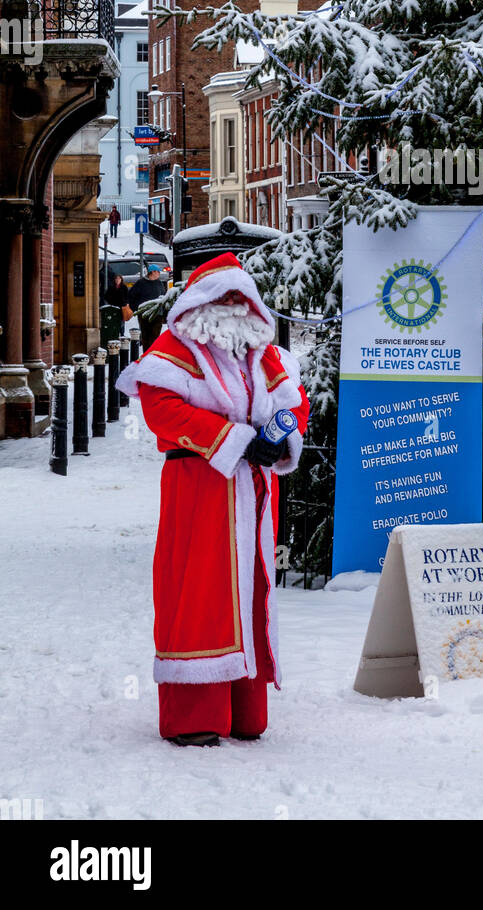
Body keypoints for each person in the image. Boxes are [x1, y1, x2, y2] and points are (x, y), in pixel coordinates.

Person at [116, 251, 310, 746]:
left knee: (251, 592)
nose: (232, 307)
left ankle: (245, 710)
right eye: (223, 298)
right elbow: (162, 410)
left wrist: (279, 439)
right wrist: (236, 440)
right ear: (199, 302)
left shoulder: (262, 353)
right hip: (199, 490)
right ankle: (194, 715)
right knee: (198, 592)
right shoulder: (173, 349)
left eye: (241, 299)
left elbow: (294, 404)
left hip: (254, 493)